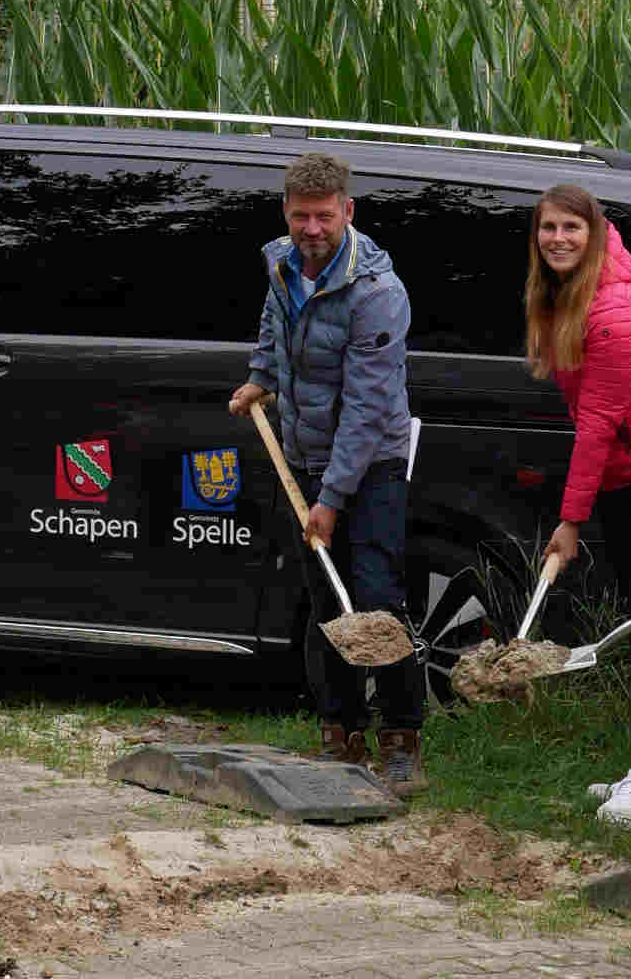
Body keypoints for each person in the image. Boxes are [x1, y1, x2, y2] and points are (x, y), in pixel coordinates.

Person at [228, 152, 426, 796]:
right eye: (299, 216)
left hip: (371, 467)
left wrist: (332, 499)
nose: (311, 228)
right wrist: (259, 378)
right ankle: (340, 732)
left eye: (323, 216)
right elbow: (272, 329)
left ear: (348, 211)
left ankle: (401, 737)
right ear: (286, 213)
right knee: (322, 603)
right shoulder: (282, 265)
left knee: (373, 597)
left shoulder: (377, 293)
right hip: (305, 457)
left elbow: (369, 408)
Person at [524, 185, 631, 826]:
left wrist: (570, 520)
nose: (558, 239)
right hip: (625, 477)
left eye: (571, 228)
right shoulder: (570, 296)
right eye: (548, 228)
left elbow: (596, 424)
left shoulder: (614, 312)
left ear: (594, 235)